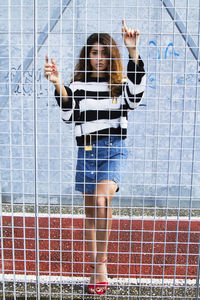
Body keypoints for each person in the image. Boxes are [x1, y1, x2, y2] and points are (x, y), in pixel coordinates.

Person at [44, 20, 146, 295]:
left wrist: (133, 52)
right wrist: (58, 85)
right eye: (93, 52)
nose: (98, 58)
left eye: (103, 53)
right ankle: (95, 269)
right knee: (91, 214)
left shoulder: (119, 84)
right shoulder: (77, 85)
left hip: (114, 148)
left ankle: (100, 266)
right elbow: (69, 116)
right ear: (87, 56)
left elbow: (135, 99)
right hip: (86, 151)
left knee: (102, 199)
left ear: (111, 55)